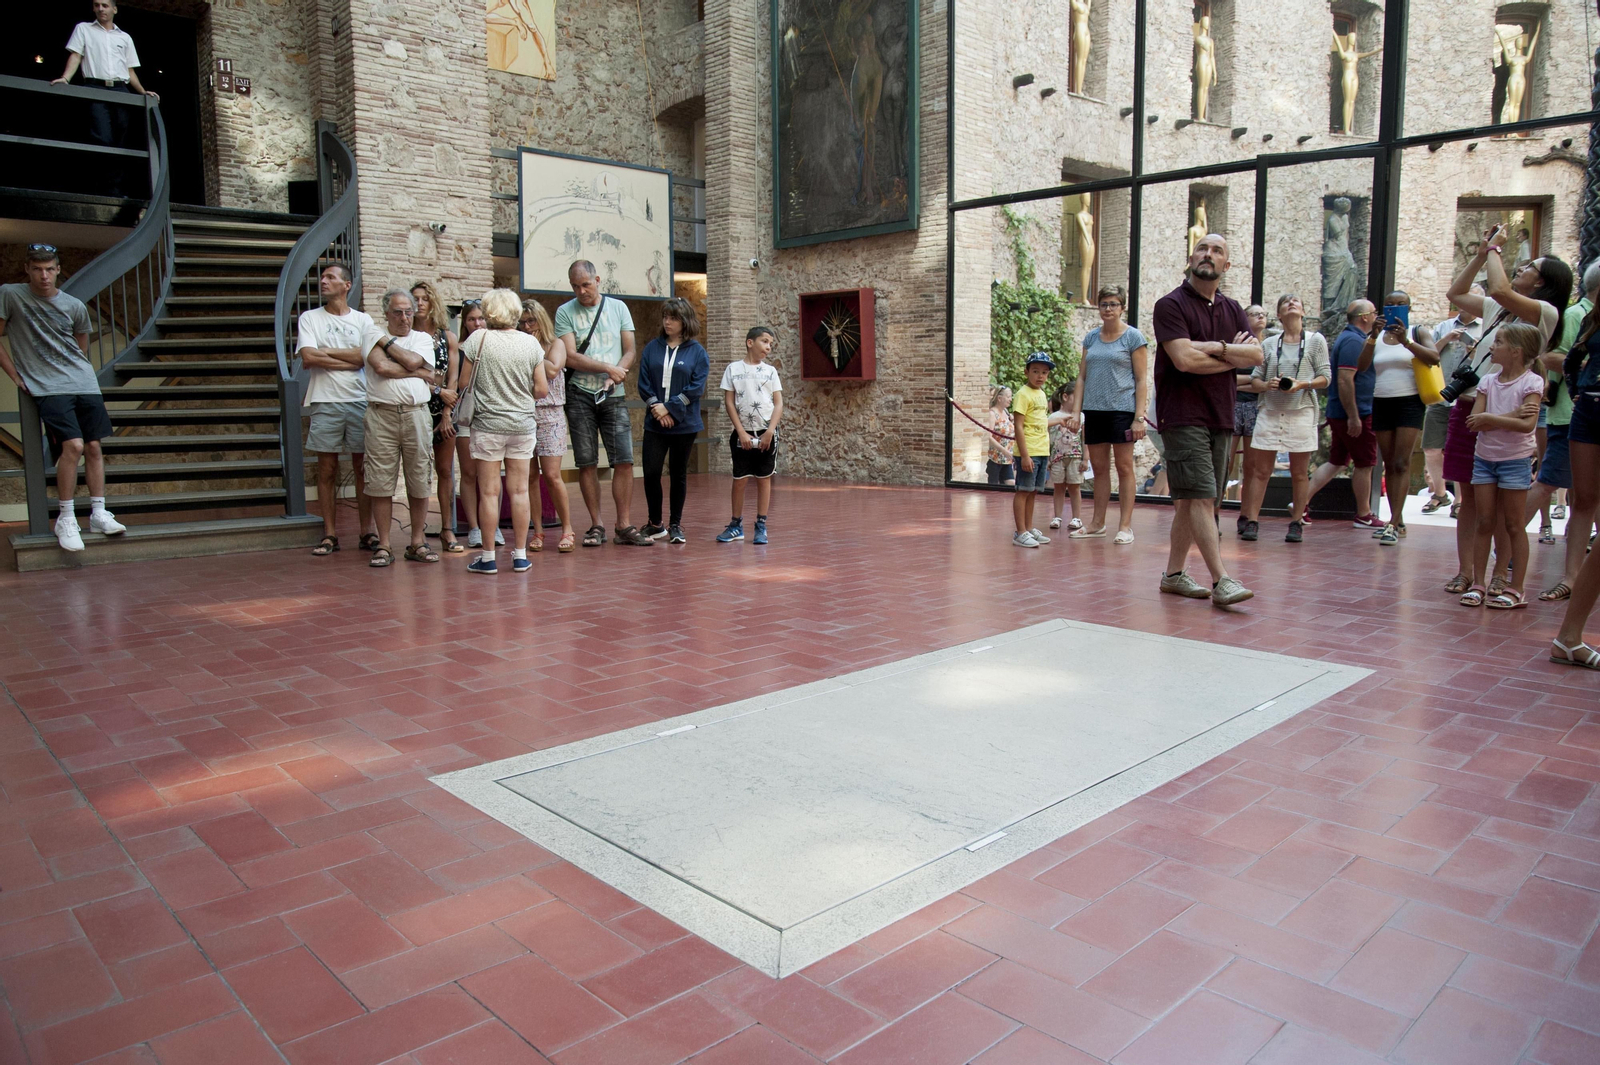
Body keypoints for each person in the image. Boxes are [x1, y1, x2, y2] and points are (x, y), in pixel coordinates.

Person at [1444, 226, 1570, 596]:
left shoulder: (1544, 311)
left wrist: (1496, 247)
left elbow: (1499, 289)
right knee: (1468, 495)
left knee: (1502, 505)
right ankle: (1467, 571)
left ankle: (1500, 574)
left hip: (1509, 414)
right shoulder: (1498, 307)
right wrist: (1481, 255)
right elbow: (1455, 293)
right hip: (1470, 403)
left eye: (1531, 265)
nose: (1522, 266)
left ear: (1544, 282)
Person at [1151, 233, 1261, 605]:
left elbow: (1257, 356)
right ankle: (1222, 580)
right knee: (1200, 497)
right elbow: (1183, 360)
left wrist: (1215, 347)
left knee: (1193, 501)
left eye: (1217, 251)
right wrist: (1233, 354)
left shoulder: (1232, 309)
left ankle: (1174, 575)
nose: (1208, 255)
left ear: (1226, 266)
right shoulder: (1170, 305)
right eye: (1202, 248)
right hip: (1182, 415)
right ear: (1191, 257)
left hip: (1220, 414)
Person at [0, 244, 125, 551]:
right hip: (48, 386)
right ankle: (66, 518)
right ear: (28, 270)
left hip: (82, 383)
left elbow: (81, 342)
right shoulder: (10, 294)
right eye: (38, 269)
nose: (44, 275)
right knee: (74, 446)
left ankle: (98, 513)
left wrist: (75, 371)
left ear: (58, 270)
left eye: (50, 269)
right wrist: (15, 375)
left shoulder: (73, 304)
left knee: (94, 446)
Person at [555, 260, 651, 547]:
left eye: (586, 284)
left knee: (623, 460)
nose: (581, 291)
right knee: (586, 462)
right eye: (575, 286)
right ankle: (596, 525)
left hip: (613, 395)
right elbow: (570, 356)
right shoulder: (564, 312)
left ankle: (623, 524)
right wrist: (607, 369)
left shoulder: (618, 308)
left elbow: (630, 350)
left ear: (597, 279)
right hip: (579, 393)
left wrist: (616, 374)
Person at [458, 289, 548, 574]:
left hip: (487, 426)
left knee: (488, 492)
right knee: (520, 490)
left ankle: (487, 558)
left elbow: (463, 382)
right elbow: (542, 389)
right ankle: (520, 556)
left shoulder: (478, 339)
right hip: (521, 425)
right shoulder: (531, 344)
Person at [1523, 262, 1597, 602]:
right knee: (1576, 495)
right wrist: (1578, 385)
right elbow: (1562, 358)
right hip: (1580, 413)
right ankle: (1570, 577)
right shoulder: (1583, 317)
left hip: (1578, 412)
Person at [1460, 322, 1545, 609]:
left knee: (1513, 524)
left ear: (1516, 352)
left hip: (1515, 462)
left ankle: (1516, 587)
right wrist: (1512, 414)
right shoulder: (1487, 381)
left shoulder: (1532, 383)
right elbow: (1474, 421)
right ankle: (1478, 583)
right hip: (1485, 461)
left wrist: (1493, 419)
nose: (1492, 346)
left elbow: (1527, 425)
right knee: (1484, 521)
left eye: (1498, 342)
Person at [296, 263, 377, 557]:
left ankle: (366, 531)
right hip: (325, 400)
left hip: (359, 399)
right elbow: (307, 357)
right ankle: (329, 533)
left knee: (362, 468)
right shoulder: (309, 318)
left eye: (330, 277)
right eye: (322, 277)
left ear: (346, 285)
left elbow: (365, 358)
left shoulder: (363, 321)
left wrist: (325, 352)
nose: (323, 281)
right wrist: (350, 359)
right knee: (327, 469)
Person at [1239, 294, 1329, 542]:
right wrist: (1268, 384)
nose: (1291, 304)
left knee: (1299, 472)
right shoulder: (1268, 343)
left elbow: (1326, 377)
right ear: (1278, 315)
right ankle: (1253, 521)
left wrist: (1302, 384)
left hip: (1301, 412)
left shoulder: (1315, 341)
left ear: (1303, 311)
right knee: (1260, 470)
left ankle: (1296, 521)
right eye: (1285, 303)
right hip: (1270, 410)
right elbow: (1256, 379)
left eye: (1296, 302)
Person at [361, 289, 440, 568]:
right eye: (398, 312)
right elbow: (381, 367)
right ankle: (383, 544)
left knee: (419, 478)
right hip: (381, 415)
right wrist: (419, 371)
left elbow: (411, 361)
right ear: (386, 313)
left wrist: (389, 345)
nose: (405, 317)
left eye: (409, 311)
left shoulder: (422, 338)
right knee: (380, 482)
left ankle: (417, 541)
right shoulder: (372, 334)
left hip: (416, 415)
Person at [1067, 285, 1149, 543]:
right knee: (1099, 469)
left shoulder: (1133, 337)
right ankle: (1097, 523)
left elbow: (1142, 379)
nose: (1108, 309)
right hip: (1095, 410)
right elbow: (1081, 377)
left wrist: (1139, 416)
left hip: (1122, 411)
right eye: (1104, 304)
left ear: (1122, 307)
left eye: (1114, 304)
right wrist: (1076, 412)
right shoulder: (1091, 338)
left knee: (1124, 467)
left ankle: (1125, 526)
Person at [53, 1, 158, 196]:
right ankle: (100, 188)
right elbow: (76, 56)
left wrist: (142, 92)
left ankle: (115, 191)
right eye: (96, 5)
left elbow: (129, 70)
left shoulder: (125, 37)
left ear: (114, 9)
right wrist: (66, 78)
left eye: (105, 5)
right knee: (102, 138)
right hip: (94, 86)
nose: (101, 9)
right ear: (93, 8)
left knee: (120, 140)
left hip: (120, 89)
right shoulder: (83, 28)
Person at [1366, 290, 1439, 546]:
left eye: (1400, 305)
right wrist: (1373, 337)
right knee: (1388, 462)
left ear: (1409, 308)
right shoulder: (1378, 336)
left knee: (1401, 462)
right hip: (1382, 400)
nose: (1395, 308)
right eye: (1390, 305)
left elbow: (1434, 358)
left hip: (1409, 401)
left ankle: (1393, 522)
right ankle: (1397, 520)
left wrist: (1406, 340)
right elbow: (1362, 365)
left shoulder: (1418, 331)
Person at [1551, 295, 1600, 668]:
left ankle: (1568, 637)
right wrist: (1578, 388)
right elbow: (1571, 360)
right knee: (1584, 500)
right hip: (1589, 411)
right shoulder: (1591, 318)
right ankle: (1568, 637)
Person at [637, 297, 710, 544]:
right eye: (665, 317)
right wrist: (657, 408)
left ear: (685, 321)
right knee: (651, 472)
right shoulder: (652, 348)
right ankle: (655, 523)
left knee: (678, 474)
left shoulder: (698, 352)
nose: (667, 322)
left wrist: (669, 409)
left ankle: (676, 524)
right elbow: (644, 383)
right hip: (654, 423)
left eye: (673, 318)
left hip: (684, 425)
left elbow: (695, 388)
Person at [1306, 300, 1382, 529]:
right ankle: (1363, 514)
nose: (1378, 316)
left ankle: (1300, 502)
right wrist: (1354, 416)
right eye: (1375, 312)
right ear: (1365, 317)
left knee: (1338, 461)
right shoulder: (1352, 341)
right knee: (1365, 462)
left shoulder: (1355, 339)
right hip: (1355, 412)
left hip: (1344, 411)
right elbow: (1345, 379)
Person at [717, 326, 784, 544]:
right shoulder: (733, 369)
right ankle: (736, 525)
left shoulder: (771, 372)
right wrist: (740, 432)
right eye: (765, 342)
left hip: (766, 433)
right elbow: (729, 401)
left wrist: (770, 432)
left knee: (764, 479)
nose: (768, 347)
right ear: (750, 343)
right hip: (742, 433)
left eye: (770, 344)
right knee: (740, 479)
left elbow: (778, 402)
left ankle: (761, 525)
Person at [1420, 289, 1483, 516]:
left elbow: (1488, 362)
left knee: (1460, 449)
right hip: (1441, 393)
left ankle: (1460, 500)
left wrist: (1474, 350)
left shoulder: (1486, 327)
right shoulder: (1444, 327)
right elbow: (1427, 355)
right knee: (1431, 447)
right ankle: (1439, 493)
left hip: (1469, 396)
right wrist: (1447, 339)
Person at [519, 300, 575, 553]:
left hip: (551, 414)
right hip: (523, 413)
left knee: (552, 476)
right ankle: (537, 530)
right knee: (529, 476)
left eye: (531, 321)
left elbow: (552, 370)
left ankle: (567, 528)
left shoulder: (556, 344)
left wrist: (532, 348)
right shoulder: (517, 346)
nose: (527, 326)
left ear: (541, 321)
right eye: (522, 322)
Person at [411, 281, 461, 553]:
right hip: (416, 405)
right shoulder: (406, 337)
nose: (419, 303)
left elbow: (453, 376)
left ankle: (447, 529)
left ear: (433, 303)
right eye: (415, 299)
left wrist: (446, 413)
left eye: (424, 299)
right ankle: (417, 534)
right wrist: (438, 390)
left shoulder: (446, 336)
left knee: (445, 471)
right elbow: (409, 373)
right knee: (418, 472)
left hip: (442, 409)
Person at [452, 301, 501, 550]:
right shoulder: (460, 349)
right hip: (468, 415)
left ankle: (494, 526)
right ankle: (473, 527)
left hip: (492, 416)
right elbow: (457, 383)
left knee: (491, 477)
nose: (477, 323)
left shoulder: (498, 344)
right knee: (469, 473)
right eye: (471, 319)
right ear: (465, 322)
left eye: (481, 318)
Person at [1008, 353, 1054, 548]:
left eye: (1044, 372)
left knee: (1033, 491)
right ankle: (1020, 532)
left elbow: (1041, 422)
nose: (1040, 376)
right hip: (1028, 451)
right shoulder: (1022, 394)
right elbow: (1019, 426)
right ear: (1027, 372)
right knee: (1023, 491)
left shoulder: (1042, 394)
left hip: (1041, 450)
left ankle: (1028, 528)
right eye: (1035, 371)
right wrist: (1025, 455)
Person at [1227, 303, 1268, 513]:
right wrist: (1253, 382)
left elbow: (1267, 383)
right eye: (1254, 314)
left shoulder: (1269, 346)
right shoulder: (1238, 344)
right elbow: (1227, 379)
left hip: (1257, 407)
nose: (1260, 317)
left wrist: (1252, 383)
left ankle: (1248, 515)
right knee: (1226, 462)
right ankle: (1213, 513)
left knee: (1252, 465)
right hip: (1233, 405)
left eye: (1263, 314)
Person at [1046, 387, 1084, 533]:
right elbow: (1049, 438)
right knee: (1059, 487)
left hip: (1075, 457)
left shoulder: (1081, 416)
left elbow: (1084, 439)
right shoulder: (1053, 417)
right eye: (1076, 397)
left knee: (1074, 486)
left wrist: (1085, 459)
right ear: (1066, 397)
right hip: (1057, 457)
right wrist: (1049, 457)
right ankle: (1057, 516)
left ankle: (1076, 517)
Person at [984, 386, 1015, 485]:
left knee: (1010, 484)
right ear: (999, 398)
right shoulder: (992, 414)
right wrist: (1003, 450)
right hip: (995, 459)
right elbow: (988, 437)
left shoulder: (1006, 413)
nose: (1010, 399)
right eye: (1008, 397)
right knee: (994, 488)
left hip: (1007, 460)